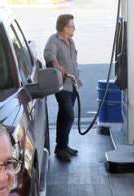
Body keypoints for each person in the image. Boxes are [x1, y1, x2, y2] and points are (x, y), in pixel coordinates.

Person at [44, 14, 80, 162]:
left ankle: (62, 146)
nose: (74, 28)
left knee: (64, 116)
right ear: (64, 27)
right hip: (62, 85)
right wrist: (58, 67)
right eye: (71, 26)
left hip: (72, 84)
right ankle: (61, 149)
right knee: (69, 114)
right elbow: (49, 55)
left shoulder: (70, 41)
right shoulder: (54, 40)